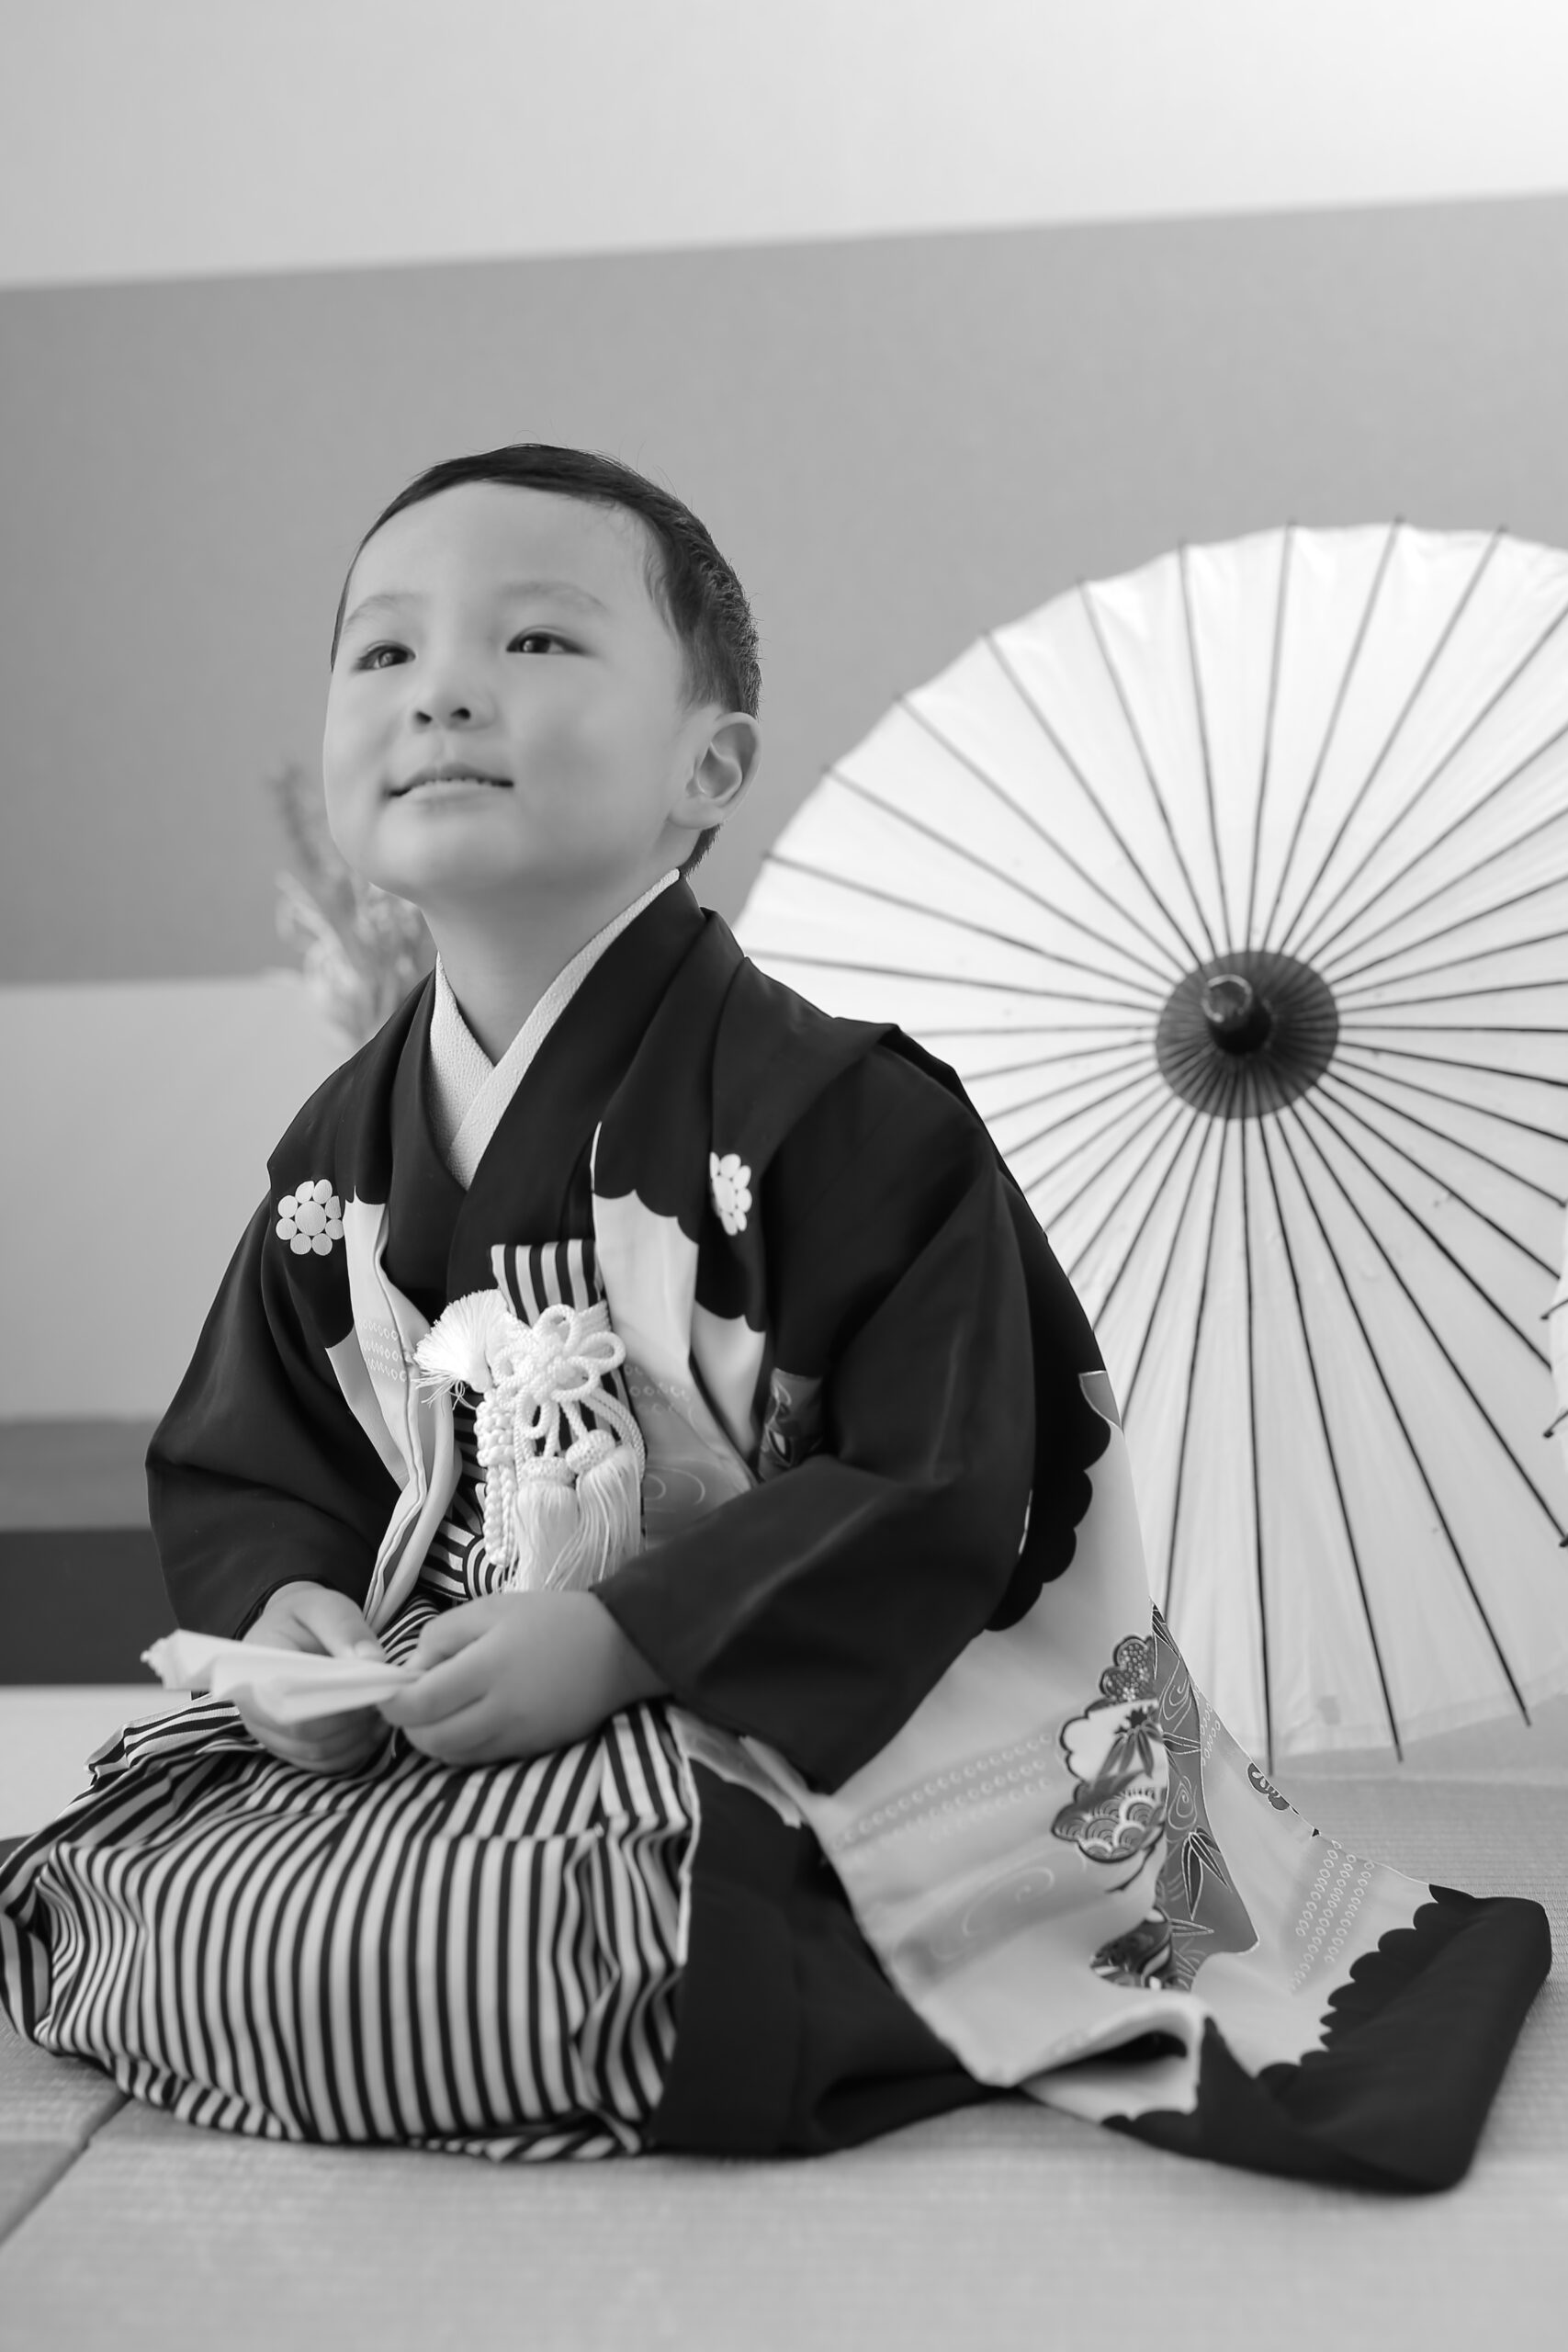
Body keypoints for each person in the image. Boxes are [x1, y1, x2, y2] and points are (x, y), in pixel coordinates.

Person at [0, 446, 1549, 2187]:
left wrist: (623, 1635)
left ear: (710, 768)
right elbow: (260, 1447)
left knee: (537, 1940)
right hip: (441, 1681)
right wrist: (294, 1618)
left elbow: (939, 1485)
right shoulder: (339, 1148)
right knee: (115, 1871)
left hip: (762, 1695)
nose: (442, 690)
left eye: (534, 642)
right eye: (385, 651)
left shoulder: (844, 1117)